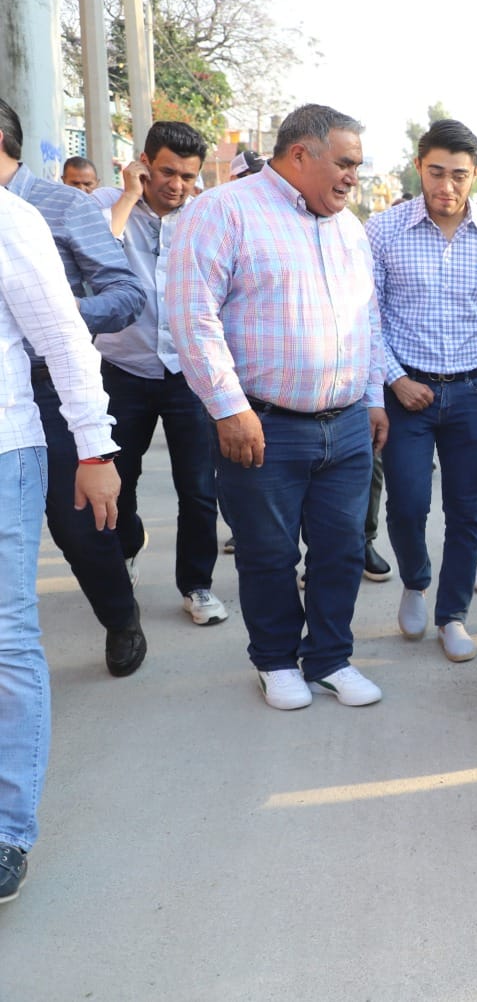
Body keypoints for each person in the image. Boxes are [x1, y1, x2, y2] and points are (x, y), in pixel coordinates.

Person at [167, 103, 388, 711]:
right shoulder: (223, 211)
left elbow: (367, 319)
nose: (352, 178)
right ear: (300, 156)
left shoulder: (349, 228)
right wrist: (228, 408)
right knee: (268, 552)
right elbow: (192, 317)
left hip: (343, 426)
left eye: (357, 167)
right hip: (262, 425)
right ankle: (274, 660)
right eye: (344, 164)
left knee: (341, 549)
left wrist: (371, 397)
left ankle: (329, 658)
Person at [0, 187, 122, 905]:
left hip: (5, 451)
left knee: (6, 640)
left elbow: (63, 338)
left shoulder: (10, 219)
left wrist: (94, 448)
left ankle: (8, 830)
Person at [0, 97, 148, 676]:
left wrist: (57, 315)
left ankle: (120, 618)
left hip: (55, 386)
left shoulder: (63, 205)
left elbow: (127, 291)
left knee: (79, 526)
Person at [367, 120, 477, 662]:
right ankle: (415, 579)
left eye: (459, 175)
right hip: (408, 392)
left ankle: (452, 615)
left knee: (466, 510)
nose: (447, 187)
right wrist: (395, 380)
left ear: (474, 173)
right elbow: (369, 319)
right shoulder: (383, 232)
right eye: (437, 172)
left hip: (475, 393)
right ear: (419, 166)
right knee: (407, 504)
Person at [95, 121, 228, 627]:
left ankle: (196, 585)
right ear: (143, 163)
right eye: (167, 172)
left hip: (188, 374)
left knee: (197, 488)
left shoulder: (206, 216)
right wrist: (129, 198)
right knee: (119, 480)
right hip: (124, 370)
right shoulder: (111, 205)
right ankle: (125, 553)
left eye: (189, 176)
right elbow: (96, 257)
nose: (177, 185)